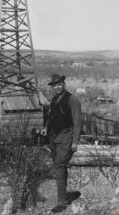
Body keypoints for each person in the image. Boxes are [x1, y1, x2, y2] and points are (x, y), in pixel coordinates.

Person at [41, 74, 83, 213]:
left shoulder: (72, 99)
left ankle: (62, 202)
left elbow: (78, 122)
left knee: (59, 166)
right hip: (54, 137)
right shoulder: (54, 99)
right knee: (59, 167)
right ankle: (63, 196)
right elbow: (51, 117)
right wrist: (45, 129)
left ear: (64, 84)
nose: (57, 87)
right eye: (54, 85)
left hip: (67, 136)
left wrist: (75, 141)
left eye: (59, 84)